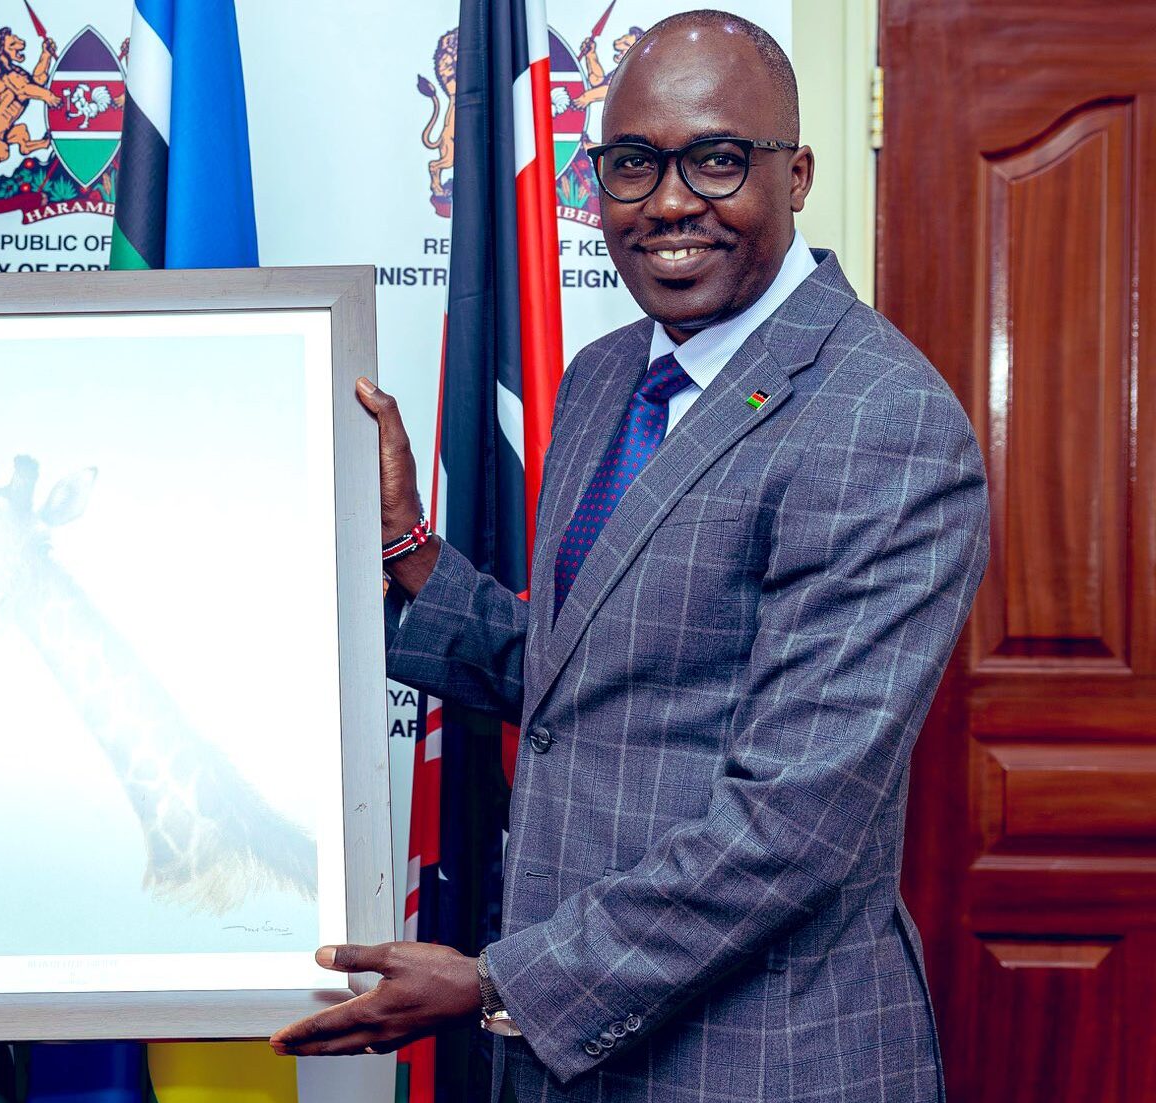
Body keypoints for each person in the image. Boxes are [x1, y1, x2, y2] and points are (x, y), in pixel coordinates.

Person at [273, 11, 988, 1101]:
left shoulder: (879, 417)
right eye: (632, 163)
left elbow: (789, 823)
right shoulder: (607, 373)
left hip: (757, 1060)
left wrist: (496, 983)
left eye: (716, 160)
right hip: (571, 1055)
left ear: (795, 175)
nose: (667, 202)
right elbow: (587, 677)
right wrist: (406, 545)